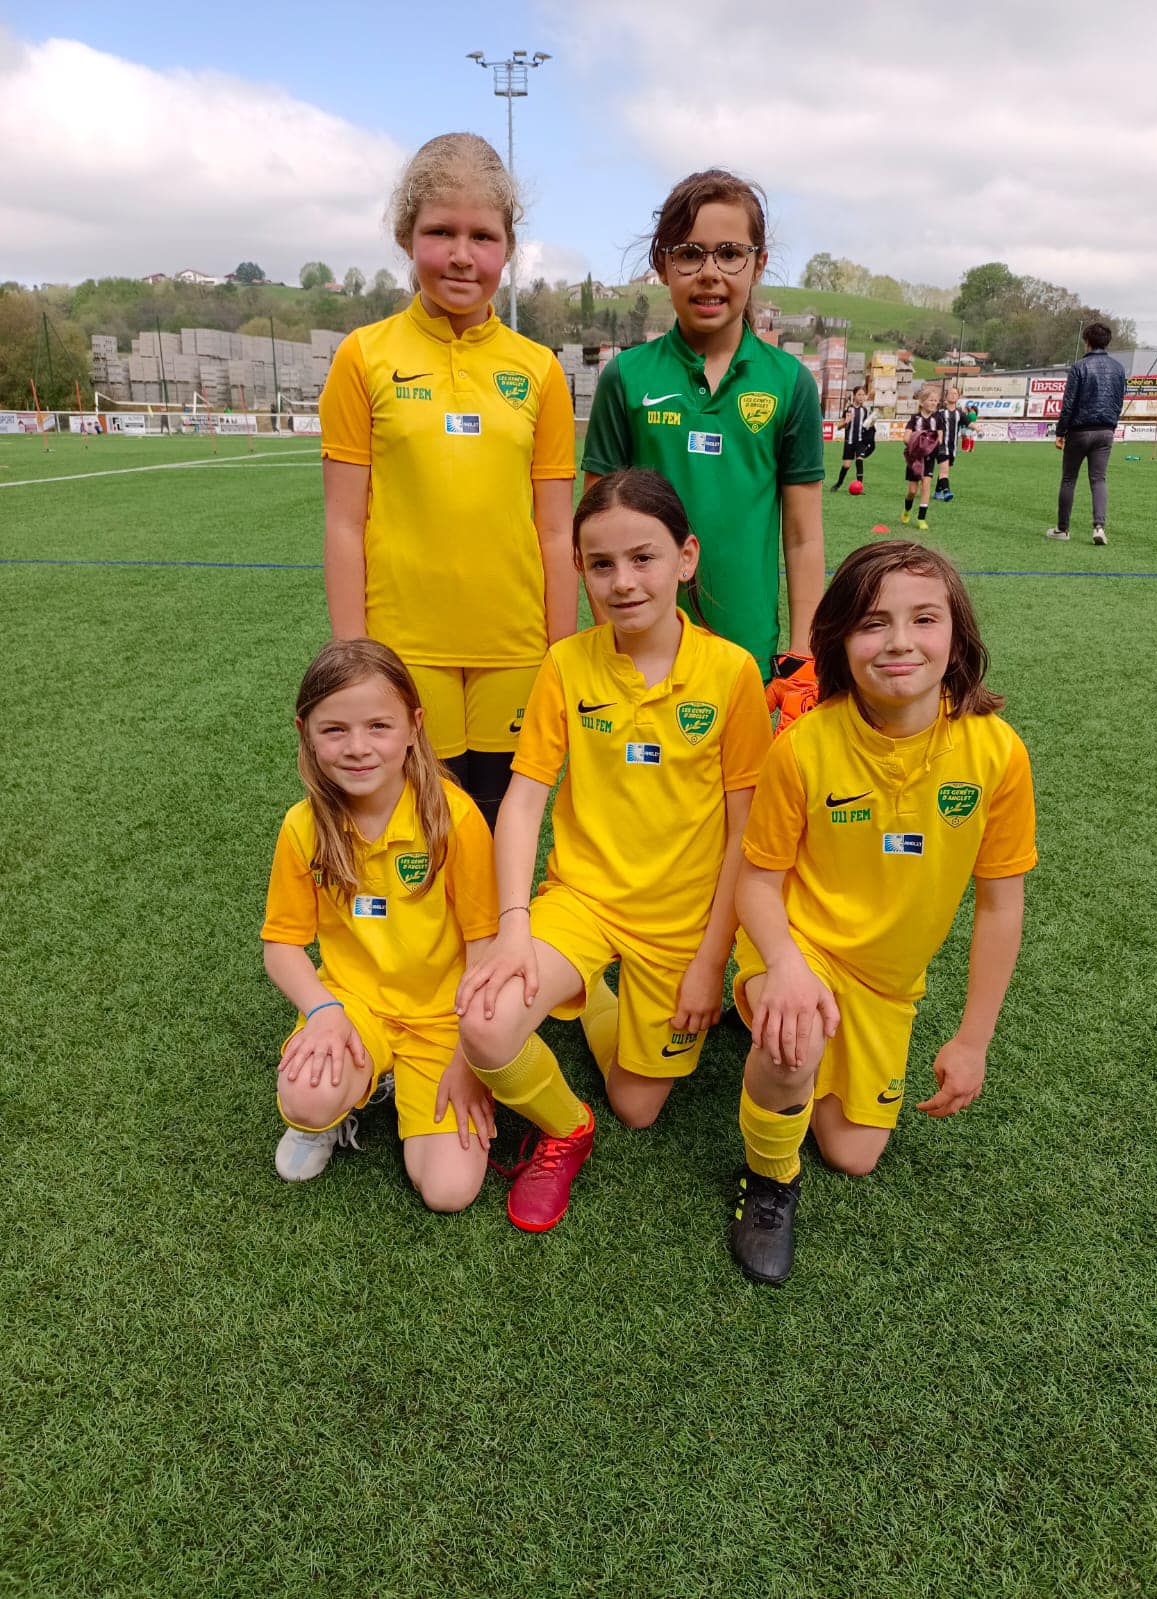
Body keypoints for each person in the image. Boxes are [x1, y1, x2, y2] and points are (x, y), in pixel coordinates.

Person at [456, 470, 773, 1234]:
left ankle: (597, 998)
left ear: (685, 558)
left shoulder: (732, 673)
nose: (623, 581)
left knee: (638, 1106)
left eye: (644, 558)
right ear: (580, 570)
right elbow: (525, 799)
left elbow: (745, 833)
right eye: (601, 564)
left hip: (680, 922)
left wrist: (710, 959)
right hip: (582, 901)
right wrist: (514, 923)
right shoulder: (566, 664)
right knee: (488, 1024)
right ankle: (565, 1128)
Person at [728, 540, 1037, 1284]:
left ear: (956, 634)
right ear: (837, 639)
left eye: (924, 618)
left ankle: (785, 1063)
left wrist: (973, 1039)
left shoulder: (996, 754)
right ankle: (768, 1182)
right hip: (799, 948)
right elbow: (757, 885)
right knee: (792, 1039)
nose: (900, 641)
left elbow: (1000, 904)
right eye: (873, 623)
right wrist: (788, 967)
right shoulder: (802, 749)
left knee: (854, 1154)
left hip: (889, 983)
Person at [319, 132, 578, 828]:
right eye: (441, 232)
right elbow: (344, 521)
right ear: (408, 237)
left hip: (515, 651)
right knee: (417, 835)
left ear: (508, 249)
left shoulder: (539, 370)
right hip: (405, 649)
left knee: (502, 831)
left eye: (482, 236)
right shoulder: (363, 357)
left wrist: (562, 658)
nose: (462, 255)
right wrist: (355, 659)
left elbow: (556, 530)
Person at [262, 638, 500, 1213]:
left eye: (378, 726)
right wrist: (323, 1010)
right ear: (305, 733)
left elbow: (485, 946)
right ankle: (335, 1110)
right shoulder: (302, 828)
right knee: (305, 1098)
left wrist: (469, 1057)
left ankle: (392, 1083)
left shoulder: (454, 818)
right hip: (353, 1008)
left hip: (441, 1020)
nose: (358, 748)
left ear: (414, 726)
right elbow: (283, 946)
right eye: (334, 730)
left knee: (448, 1192)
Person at [581, 169, 825, 686]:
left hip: (748, 659)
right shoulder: (626, 378)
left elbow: (803, 537)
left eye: (730, 252)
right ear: (662, 265)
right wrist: (611, 643)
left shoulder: (790, 383)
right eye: (689, 253)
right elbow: (593, 530)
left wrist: (802, 655)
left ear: (757, 264)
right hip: (641, 656)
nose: (709, 272)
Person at [1046, 322, 1127, 547]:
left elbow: (1069, 402)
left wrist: (1060, 431)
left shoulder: (1079, 367)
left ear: (1087, 342)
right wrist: (1111, 425)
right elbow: (1119, 400)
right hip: (1105, 431)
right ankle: (1099, 527)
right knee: (1099, 479)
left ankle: (1062, 529)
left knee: (1069, 479)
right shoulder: (1119, 368)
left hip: (1080, 431)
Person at [901, 386, 945, 531]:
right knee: (912, 491)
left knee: (925, 487)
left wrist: (930, 445)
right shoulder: (915, 419)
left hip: (929, 458)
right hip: (915, 459)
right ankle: (907, 510)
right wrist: (917, 442)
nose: (934, 403)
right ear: (922, 402)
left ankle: (921, 519)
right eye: (931, 400)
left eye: (936, 401)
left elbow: (940, 438)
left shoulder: (938, 419)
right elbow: (906, 438)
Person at [830, 385, 874, 492]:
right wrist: (846, 421)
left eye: (863, 395)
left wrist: (871, 424)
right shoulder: (849, 409)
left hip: (860, 442)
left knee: (859, 461)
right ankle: (838, 484)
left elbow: (867, 426)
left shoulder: (865, 410)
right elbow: (839, 426)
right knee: (846, 465)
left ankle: (859, 486)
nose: (861, 397)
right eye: (859, 394)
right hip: (849, 442)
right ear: (854, 396)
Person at [932, 384, 971, 501]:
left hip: (952, 447)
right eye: (951, 393)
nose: (953, 395)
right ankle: (946, 491)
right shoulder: (940, 413)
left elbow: (969, 423)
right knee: (945, 470)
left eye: (955, 394)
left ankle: (937, 492)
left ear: (958, 397)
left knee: (945, 470)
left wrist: (978, 428)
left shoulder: (960, 413)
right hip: (941, 446)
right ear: (946, 397)